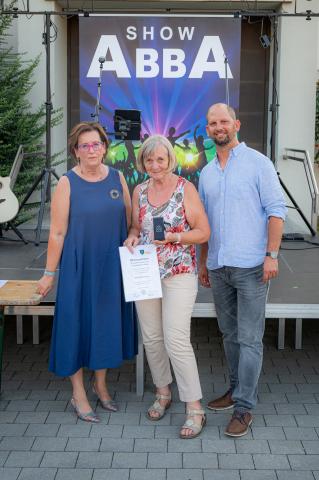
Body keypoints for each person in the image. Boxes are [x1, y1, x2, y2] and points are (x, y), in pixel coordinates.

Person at [37, 121, 137, 423]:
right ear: (76, 152)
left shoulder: (118, 178)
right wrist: (48, 273)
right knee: (76, 327)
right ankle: (78, 393)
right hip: (79, 268)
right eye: (85, 146)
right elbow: (57, 233)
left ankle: (101, 384)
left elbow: (132, 221)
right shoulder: (67, 182)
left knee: (105, 326)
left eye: (96, 144)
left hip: (110, 267)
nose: (92, 150)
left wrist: (133, 234)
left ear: (105, 147)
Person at [198, 103, 287, 437]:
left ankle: (245, 408)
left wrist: (272, 255)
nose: (218, 127)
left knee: (249, 339)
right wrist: (204, 261)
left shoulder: (258, 163)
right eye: (212, 123)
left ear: (235, 123)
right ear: (207, 130)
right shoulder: (207, 172)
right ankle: (236, 390)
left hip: (252, 267)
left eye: (223, 121)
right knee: (230, 335)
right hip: (219, 267)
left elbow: (276, 211)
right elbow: (204, 224)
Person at [124, 135, 210, 439]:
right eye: (149, 160)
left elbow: (203, 232)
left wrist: (175, 238)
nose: (154, 165)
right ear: (143, 162)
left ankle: (194, 407)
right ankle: (163, 392)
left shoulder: (185, 189)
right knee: (151, 337)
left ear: (170, 160)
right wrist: (133, 237)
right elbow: (136, 225)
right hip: (145, 271)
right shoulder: (140, 190)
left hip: (179, 271)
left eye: (160, 159)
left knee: (175, 338)